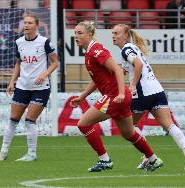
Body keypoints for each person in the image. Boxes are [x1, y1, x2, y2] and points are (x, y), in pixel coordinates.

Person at [70, 21, 163, 172]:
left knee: (83, 124)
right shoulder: (89, 53)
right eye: (75, 33)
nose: (76, 36)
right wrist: (82, 96)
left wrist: (120, 93)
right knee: (128, 133)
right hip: (121, 95)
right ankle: (153, 159)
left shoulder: (96, 50)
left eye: (80, 33)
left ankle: (104, 160)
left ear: (90, 34)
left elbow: (118, 71)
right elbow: (97, 79)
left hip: (115, 95)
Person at [111, 24, 185, 170]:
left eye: (117, 33)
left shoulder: (126, 50)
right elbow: (131, 67)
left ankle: (148, 156)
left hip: (142, 93)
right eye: (112, 33)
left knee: (129, 127)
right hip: (157, 90)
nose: (113, 36)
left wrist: (132, 85)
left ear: (126, 35)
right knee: (169, 125)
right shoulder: (133, 47)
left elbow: (138, 65)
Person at [0, 14, 59, 162]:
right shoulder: (19, 42)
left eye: (30, 23)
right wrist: (12, 82)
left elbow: (55, 62)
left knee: (30, 120)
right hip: (22, 87)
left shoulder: (45, 42)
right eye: (25, 23)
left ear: (36, 25)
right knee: (13, 120)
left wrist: (45, 74)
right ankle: (3, 152)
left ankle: (31, 153)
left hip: (40, 88)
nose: (26, 25)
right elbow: (18, 64)